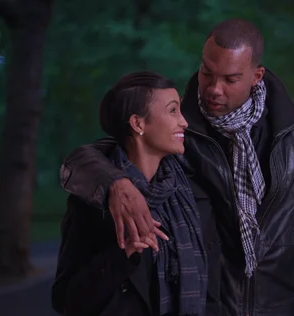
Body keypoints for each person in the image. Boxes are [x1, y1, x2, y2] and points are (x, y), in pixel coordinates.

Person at [59, 18, 294, 315]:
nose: (213, 89)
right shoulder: (178, 127)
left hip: (278, 305)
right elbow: (89, 158)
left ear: (256, 76)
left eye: (230, 79)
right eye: (207, 73)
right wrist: (115, 183)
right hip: (212, 304)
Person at [52, 71, 209, 316]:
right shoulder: (93, 204)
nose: (184, 122)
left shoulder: (189, 195)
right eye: (172, 111)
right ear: (138, 124)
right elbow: (66, 301)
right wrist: (122, 254)